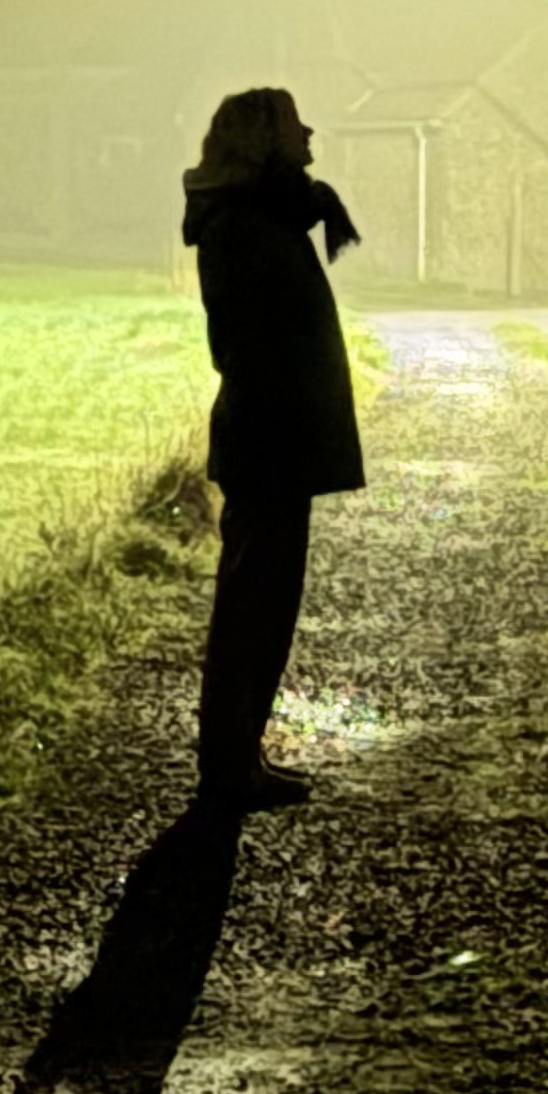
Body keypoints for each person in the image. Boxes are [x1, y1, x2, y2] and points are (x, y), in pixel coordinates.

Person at [179, 85, 364, 810]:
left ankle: (239, 755)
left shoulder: (264, 212)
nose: (309, 132)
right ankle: (228, 766)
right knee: (252, 608)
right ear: (263, 141)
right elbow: (247, 343)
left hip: (280, 438)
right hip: (269, 440)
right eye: (293, 124)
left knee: (265, 605)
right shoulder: (243, 222)